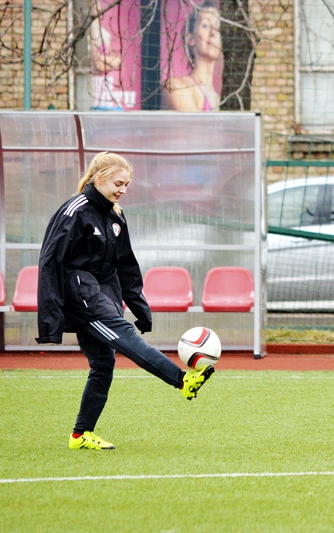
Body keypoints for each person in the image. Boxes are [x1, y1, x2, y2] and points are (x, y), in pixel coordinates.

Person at [36, 152, 214, 451]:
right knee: (123, 335)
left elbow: (126, 264)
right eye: (119, 183)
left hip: (100, 292)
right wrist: (51, 316)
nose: (123, 189)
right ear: (100, 177)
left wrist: (139, 307)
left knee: (103, 363)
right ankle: (182, 380)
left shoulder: (115, 214)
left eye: (127, 184)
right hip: (79, 293)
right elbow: (50, 261)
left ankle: (81, 435)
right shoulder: (75, 210)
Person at [162, 1, 222, 112]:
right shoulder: (175, 87)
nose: (213, 32)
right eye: (206, 25)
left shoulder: (220, 99)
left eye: (217, 27)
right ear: (190, 39)